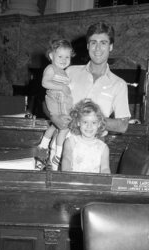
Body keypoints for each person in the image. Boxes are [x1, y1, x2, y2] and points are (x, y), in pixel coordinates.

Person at [48, 21, 131, 170]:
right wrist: (54, 117)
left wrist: (89, 121)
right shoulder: (69, 72)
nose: (98, 48)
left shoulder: (119, 84)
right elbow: (47, 100)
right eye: (93, 43)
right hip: (61, 147)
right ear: (87, 46)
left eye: (103, 43)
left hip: (92, 153)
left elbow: (123, 125)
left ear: (111, 46)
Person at [38, 38, 74, 170]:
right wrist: (62, 88)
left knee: (54, 126)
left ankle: (43, 145)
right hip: (55, 101)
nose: (64, 60)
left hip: (62, 103)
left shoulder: (63, 71)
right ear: (51, 56)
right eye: (60, 56)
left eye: (67, 57)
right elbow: (44, 83)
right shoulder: (51, 68)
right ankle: (58, 155)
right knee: (64, 128)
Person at [61, 99, 110, 173]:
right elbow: (66, 158)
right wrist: (67, 172)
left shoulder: (103, 148)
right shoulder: (70, 142)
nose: (89, 126)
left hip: (93, 182)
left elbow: (105, 168)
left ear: (99, 124)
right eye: (85, 122)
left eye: (93, 122)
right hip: (74, 181)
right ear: (78, 122)